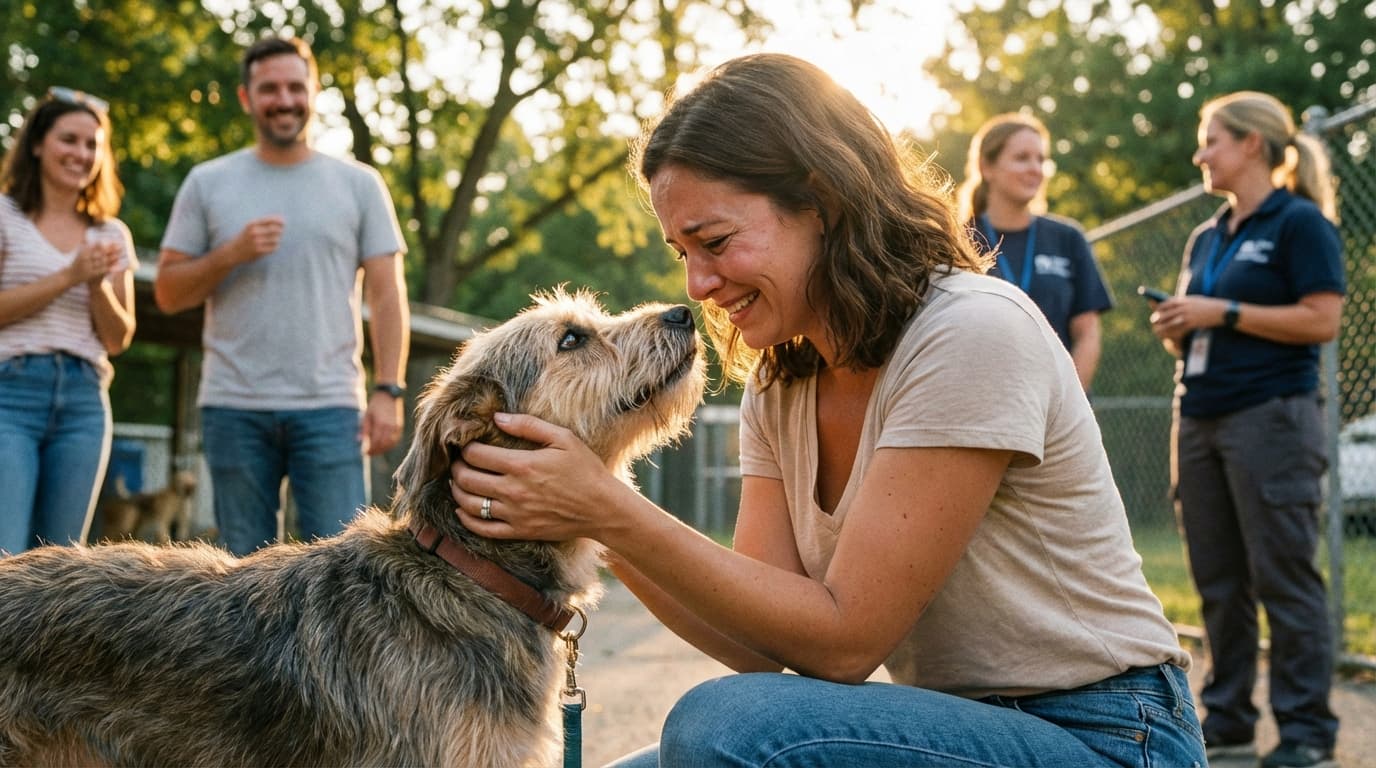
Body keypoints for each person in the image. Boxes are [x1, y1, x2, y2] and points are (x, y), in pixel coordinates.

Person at [450, 53, 1206, 767]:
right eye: (682, 253)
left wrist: (609, 508)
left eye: (713, 241)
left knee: (723, 727)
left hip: (1106, 735)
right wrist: (578, 512)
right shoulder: (782, 383)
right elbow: (754, 648)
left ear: (821, 201)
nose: (698, 285)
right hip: (955, 731)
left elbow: (846, 643)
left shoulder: (970, 332)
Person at [155, 36, 410, 557]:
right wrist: (230, 254)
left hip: (331, 406)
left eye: (296, 86)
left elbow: (387, 295)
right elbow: (168, 292)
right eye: (269, 88)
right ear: (247, 98)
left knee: (347, 573)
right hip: (234, 407)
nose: (285, 99)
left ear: (314, 93)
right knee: (240, 580)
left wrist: (389, 389)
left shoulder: (359, 184)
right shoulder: (208, 182)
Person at [1149, 91, 1343, 768]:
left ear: (1252, 144)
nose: (1201, 154)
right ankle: (1227, 722)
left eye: (1212, 141)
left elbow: (1321, 320)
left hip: (1272, 418)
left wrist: (1220, 311)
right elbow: (1201, 322)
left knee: (1283, 577)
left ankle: (1306, 732)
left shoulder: (1299, 223)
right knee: (1218, 581)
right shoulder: (1207, 235)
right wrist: (1181, 324)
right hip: (1198, 415)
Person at [0, 87, 137, 555]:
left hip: (83, 401)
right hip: (10, 394)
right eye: (69, 140)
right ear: (38, 144)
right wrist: (69, 275)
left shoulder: (110, 233)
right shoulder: (5, 216)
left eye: (92, 145)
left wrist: (96, 284)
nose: (81, 154)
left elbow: (118, 338)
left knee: (59, 569)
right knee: (5, 556)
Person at [957, 113, 1112, 391]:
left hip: (1055, 409)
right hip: (977, 402)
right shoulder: (955, 240)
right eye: (1022, 158)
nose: (1035, 168)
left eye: (1041, 159)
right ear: (986, 167)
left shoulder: (1067, 238)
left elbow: (1087, 333)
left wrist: (1067, 403)